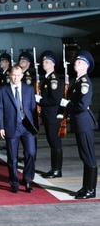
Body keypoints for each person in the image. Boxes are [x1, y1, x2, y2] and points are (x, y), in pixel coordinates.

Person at [59, 51, 97, 199]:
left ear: (86, 66)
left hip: (84, 123)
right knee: (84, 156)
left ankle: (91, 190)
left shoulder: (85, 83)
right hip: (80, 123)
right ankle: (85, 187)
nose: (76, 63)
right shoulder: (78, 82)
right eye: (76, 61)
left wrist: (67, 104)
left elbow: (82, 105)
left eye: (80, 62)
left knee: (88, 157)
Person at [0, 65, 38, 193]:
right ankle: (14, 181)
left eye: (18, 75)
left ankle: (27, 179)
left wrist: (35, 127)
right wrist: (1, 126)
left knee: (31, 153)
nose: (16, 78)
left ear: (22, 76)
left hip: (26, 126)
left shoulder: (29, 89)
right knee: (12, 157)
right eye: (13, 75)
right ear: (9, 75)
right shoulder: (3, 90)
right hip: (11, 126)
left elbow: (33, 109)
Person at [36, 51, 64, 179]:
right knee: (52, 143)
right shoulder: (47, 78)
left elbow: (55, 100)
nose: (44, 63)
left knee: (55, 143)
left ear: (53, 64)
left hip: (53, 116)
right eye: (43, 61)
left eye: (47, 61)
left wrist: (40, 100)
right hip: (48, 115)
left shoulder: (54, 80)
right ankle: (54, 168)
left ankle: (57, 170)